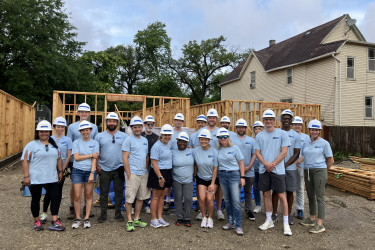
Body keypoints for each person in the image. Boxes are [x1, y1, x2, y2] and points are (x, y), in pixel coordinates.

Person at [22, 120, 65, 231]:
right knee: (35, 199)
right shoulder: (31, 145)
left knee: (55, 197)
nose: (44, 133)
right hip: (36, 178)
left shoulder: (54, 146)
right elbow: (25, 161)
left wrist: (60, 171)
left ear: (50, 132)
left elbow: (59, 158)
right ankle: (37, 221)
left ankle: (55, 221)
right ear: (38, 132)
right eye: (42, 131)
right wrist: (26, 177)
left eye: (46, 131)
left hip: (51, 177)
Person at [255, 109, 292, 236]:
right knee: (266, 194)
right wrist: (266, 164)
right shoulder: (259, 135)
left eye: (271, 119)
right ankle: (269, 220)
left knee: (282, 195)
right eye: (266, 119)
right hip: (264, 169)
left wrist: (273, 164)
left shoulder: (282, 134)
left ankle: (286, 224)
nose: (268, 121)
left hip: (278, 170)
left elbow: (284, 152)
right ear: (263, 121)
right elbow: (258, 153)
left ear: (274, 121)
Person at [300, 120, 334, 234]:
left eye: (316, 130)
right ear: (309, 130)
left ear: (319, 131)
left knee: (319, 197)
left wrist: (324, 171)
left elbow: (330, 160)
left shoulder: (324, 143)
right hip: (308, 170)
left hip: (319, 170)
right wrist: (296, 163)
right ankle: (312, 218)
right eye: (312, 129)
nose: (314, 132)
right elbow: (304, 156)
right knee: (310, 196)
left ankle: (320, 224)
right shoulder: (306, 143)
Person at [67, 103, 98, 219]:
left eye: (86, 112)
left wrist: (95, 162)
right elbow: (70, 143)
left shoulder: (94, 127)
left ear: (89, 114)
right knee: (75, 185)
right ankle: (73, 206)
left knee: (88, 186)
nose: (84, 114)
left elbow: (94, 144)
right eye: (82, 112)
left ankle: (86, 207)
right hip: (76, 158)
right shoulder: (72, 127)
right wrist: (69, 160)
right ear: (78, 113)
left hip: (89, 160)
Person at [95, 112, 127, 223]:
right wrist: (97, 166)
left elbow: (127, 152)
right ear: (106, 122)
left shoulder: (124, 136)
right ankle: (103, 213)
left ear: (117, 123)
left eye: (114, 121)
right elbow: (96, 152)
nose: (111, 123)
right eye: (109, 121)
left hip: (119, 168)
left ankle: (118, 213)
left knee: (119, 192)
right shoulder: (99, 136)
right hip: (104, 168)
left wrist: (125, 166)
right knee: (103, 192)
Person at [194, 109, 225, 221]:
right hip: (203, 166)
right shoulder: (201, 131)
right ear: (207, 119)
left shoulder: (220, 131)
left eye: (214, 117)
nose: (212, 119)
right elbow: (194, 146)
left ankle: (219, 210)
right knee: (201, 190)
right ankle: (203, 210)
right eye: (210, 117)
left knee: (217, 189)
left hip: (217, 164)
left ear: (216, 119)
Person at [40, 117, 72, 225]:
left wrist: (63, 168)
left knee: (58, 192)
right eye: (58, 126)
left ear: (64, 128)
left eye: (62, 127)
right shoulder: (49, 138)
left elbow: (68, 155)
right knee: (49, 192)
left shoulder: (67, 140)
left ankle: (56, 213)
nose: (60, 128)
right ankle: (44, 213)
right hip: (49, 169)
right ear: (54, 127)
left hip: (61, 169)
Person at [272, 110, 301, 225]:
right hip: (277, 168)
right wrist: (277, 164)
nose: (286, 121)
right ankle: (274, 213)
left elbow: (296, 153)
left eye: (289, 119)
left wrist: (285, 164)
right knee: (276, 191)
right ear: (281, 120)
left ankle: (288, 214)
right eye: (284, 118)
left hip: (290, 168)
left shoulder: (296, 135)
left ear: (291, 121)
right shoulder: (276, 133)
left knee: (289, 191)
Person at [122, 116, 150, 232]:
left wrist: (147, 169)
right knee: (130, 198)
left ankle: (136, 218)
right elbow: (124, 157)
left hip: (143, 173)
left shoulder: (145, 140)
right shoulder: (128, 140)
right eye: (135, 127)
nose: (137, 129)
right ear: (131, 128)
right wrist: (128, 173)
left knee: (140, 198)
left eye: (139, 126)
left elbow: (146, 156)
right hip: (132, 173)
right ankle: (129, 220)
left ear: (142, 127)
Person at [217, 127, 245, 235]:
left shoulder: (235, 148)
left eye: (225, 137)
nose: (223, 139)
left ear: (228, 137)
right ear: (218, 138)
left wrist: (242, 177)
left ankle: (238, 225)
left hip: (234, 175)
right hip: (222, 175)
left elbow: (241, 163)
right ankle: (230, 222)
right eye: (220, 137)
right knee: (227, 201)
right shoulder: (218, 149)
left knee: (236, 202)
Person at [71, 121, 99, 229]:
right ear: (80, 131)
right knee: (77, 196)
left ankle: (86, 218)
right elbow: (76, 158)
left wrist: (92, 173)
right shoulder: (76, 142)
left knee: (88, 195)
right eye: (83, 130)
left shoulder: (95, 143)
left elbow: (94, 159)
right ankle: (77, 218)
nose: (85, 132)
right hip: (77, 170)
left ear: (90, 131)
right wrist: (91, 154)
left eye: (87, 130)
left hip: (89, 171)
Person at [148, 124, 174, 228]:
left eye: (169, 134)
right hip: (158, 173)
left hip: (167, 172)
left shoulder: (169, 144)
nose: (167, 136)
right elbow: (153, 163)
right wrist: (160, 177)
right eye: (165, 134)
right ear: (161, 134)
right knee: (155, 196)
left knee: (162, 196)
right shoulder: (157, 146)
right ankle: (153, 219)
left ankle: (159, 217)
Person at [231, 119, 257, 221]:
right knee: (235, 192)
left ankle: (249, 210)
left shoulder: (251, 140)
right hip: (236, 171)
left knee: (248, 192)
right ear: (236, 128)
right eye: (239, 127)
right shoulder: (232, 140)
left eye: (243, 127)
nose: (241, 129)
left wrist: (249, 166)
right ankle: (235, 211)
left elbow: (254, 155)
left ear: (245, 128)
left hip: (249, 171)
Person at [193, 129, 219, 229]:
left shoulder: (214, 151)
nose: (203, 141)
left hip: (212, 179)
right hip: (201, 178)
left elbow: (215, 168)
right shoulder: (195, 151)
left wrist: (212, 183)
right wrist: (195, 175)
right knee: (202, 198)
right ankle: (204, 217)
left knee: (209, 198)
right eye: (201, 139)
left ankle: (210, 218)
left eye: (205, 139)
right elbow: (195, 164)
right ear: (199, 139)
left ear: (209, 140)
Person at [165, 113, 189, 211]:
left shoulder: (186, 133)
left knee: (181, 179)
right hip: (170, 159)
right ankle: (167, 200)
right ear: (174, 121)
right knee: (169, 181)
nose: (178, 122)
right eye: (177, 120)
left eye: (180, 120)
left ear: (183, 122)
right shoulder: (169, 131)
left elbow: (188, 145)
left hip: (182, 160)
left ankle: (182, 200)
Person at [172, 132, 194, 227]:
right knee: (178, 198)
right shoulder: (173, 151)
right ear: (177, 142)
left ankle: (187, 217)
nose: (182, 143)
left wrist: (195, 175)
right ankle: (180, 217)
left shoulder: (192, 151)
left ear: (187, 143)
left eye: (184, 141)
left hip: (188, 179)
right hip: (176, 179)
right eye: (180, 141)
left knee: (188, 198)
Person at [292, 116, 310, 219]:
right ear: (292, 125)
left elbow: (306, 152)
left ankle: (300, 209)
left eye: (299, 124)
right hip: (289, 166)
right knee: (288, 189)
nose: (297, 126)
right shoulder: (288, 135)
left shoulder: (306, 137)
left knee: (300, 188)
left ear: (301, 126)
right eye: (295, 124)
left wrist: (298, 161)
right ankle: (288, 209)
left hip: (300, 165)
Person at [141, 115, 159, 214]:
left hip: (152, 166)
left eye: (152, 124)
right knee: (140, 187)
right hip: (140, 165)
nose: (150, 126)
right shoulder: (140, 135)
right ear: (144, 124)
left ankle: (145, 205)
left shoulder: (156, 138)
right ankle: (136, 206)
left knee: (148, 187)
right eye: (148, 124)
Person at [252, 121, 264, 214]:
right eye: (256, 129)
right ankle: (258, 204)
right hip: (255, 168)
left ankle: (268, 205)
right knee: (255, 186)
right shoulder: (252, 141)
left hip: (264, 167)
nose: (257, 131)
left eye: (259, 129)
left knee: (265, 187)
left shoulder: (266, 140)